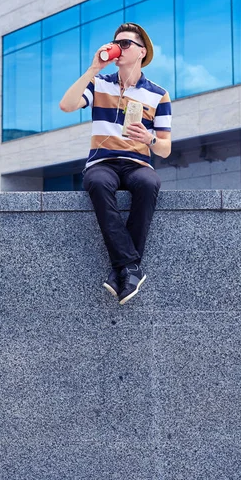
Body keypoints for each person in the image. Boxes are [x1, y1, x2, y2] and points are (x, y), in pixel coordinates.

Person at [59, 22, 172, 305]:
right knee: (97, 182)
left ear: (142, 51)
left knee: (149, 182)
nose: (117, 48)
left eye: (125, 44)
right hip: (103, 161)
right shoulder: (99, 84)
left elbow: (166, 149)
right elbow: (67, 105)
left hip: (138, 163)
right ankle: (131, 266)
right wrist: (93, 69)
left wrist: (149, 139)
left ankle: (119, 269)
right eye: (115, 43)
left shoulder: (158, 94)